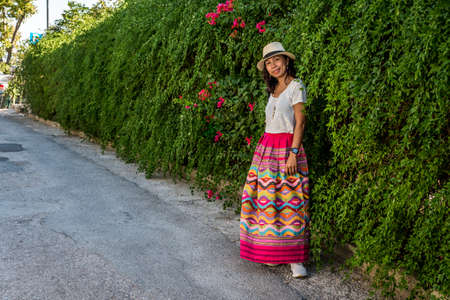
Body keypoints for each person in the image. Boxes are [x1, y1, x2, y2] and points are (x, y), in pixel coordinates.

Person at [240, 42, 310, 278]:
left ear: (286, 61)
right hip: (267, 149)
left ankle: (296, 261)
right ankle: (273, 253)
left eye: (276, 60)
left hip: (287, 149)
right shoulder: (273, 90)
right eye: (269, 63)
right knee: (268, 201)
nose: (273, 66)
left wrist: (293, 153)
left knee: (292, 200)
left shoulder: (296, 87)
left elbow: (300, 122)